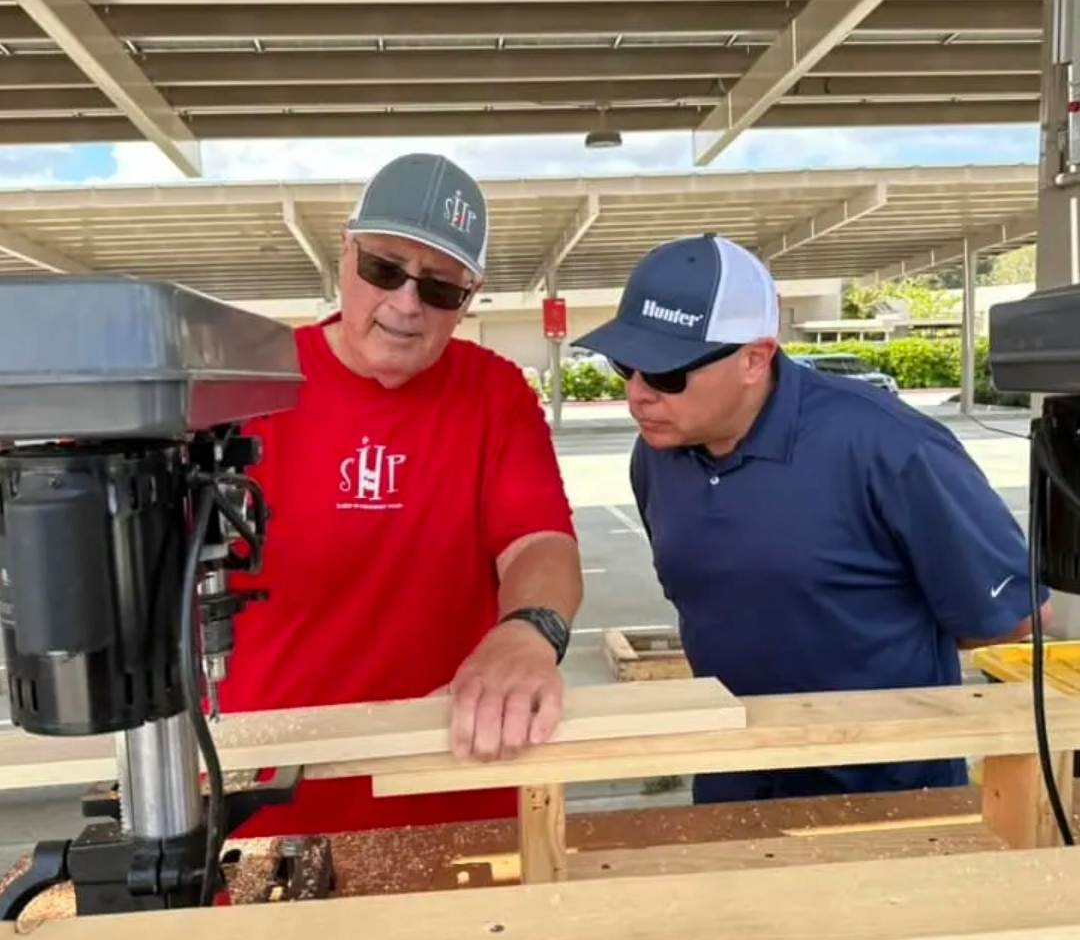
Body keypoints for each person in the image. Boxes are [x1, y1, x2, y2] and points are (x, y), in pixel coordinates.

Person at [572, 232, 1050, 805]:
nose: (638, 394)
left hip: (890, 791)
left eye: (667, 374)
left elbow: (1010, 617)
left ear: (755, 358)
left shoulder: (889, 446)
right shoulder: (656, 457)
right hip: (733, 780)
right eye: (625, 365)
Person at [218, 153, 583, 837]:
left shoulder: (494, 393)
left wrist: (528, 631)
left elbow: (539, 541)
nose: (406, 304)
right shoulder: (246, 383)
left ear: (469, 297)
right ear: (345, 252)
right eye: (384, 269)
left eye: (441, 288)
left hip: (455, 798)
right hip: (266, 810)